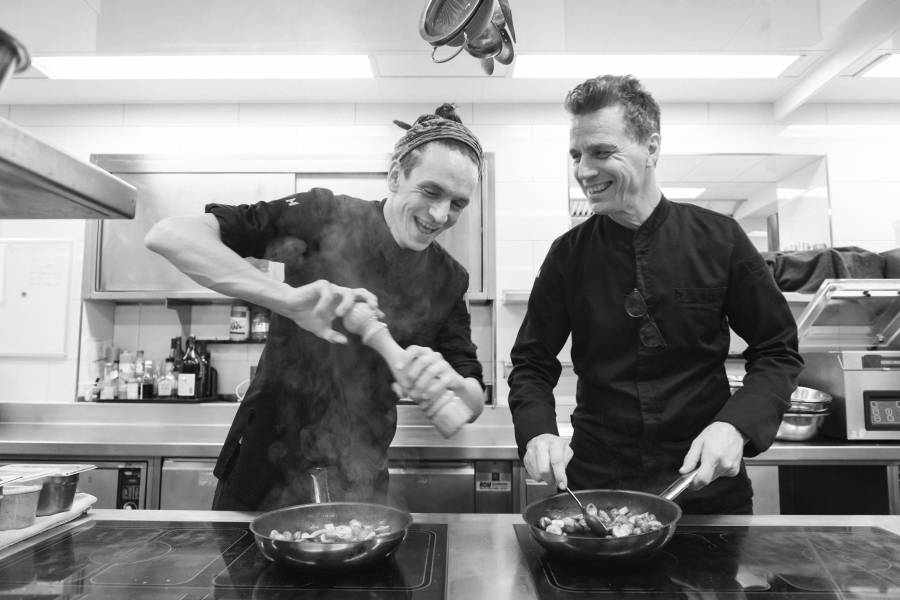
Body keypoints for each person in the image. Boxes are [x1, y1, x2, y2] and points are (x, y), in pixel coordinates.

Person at [145, 103, 486, 510]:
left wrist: (451, 385)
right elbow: (170, 235)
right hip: (262, 474)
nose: (440, 214)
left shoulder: (449, 279)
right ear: (395, 175)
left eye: (458, 204)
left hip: (360, 484)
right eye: (430, 192)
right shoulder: (322, 215)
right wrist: (288, 302)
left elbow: (472, 396)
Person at [508, 75, 803, 514]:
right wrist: (538, 432)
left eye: (602, 152)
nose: (584, 170)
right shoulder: (568, 255)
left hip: (703, 485)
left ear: (652, 147)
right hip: (596, 490)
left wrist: (736, 427)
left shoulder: (719, 240)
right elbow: (531, 362)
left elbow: (778, 350)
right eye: (577, 155)